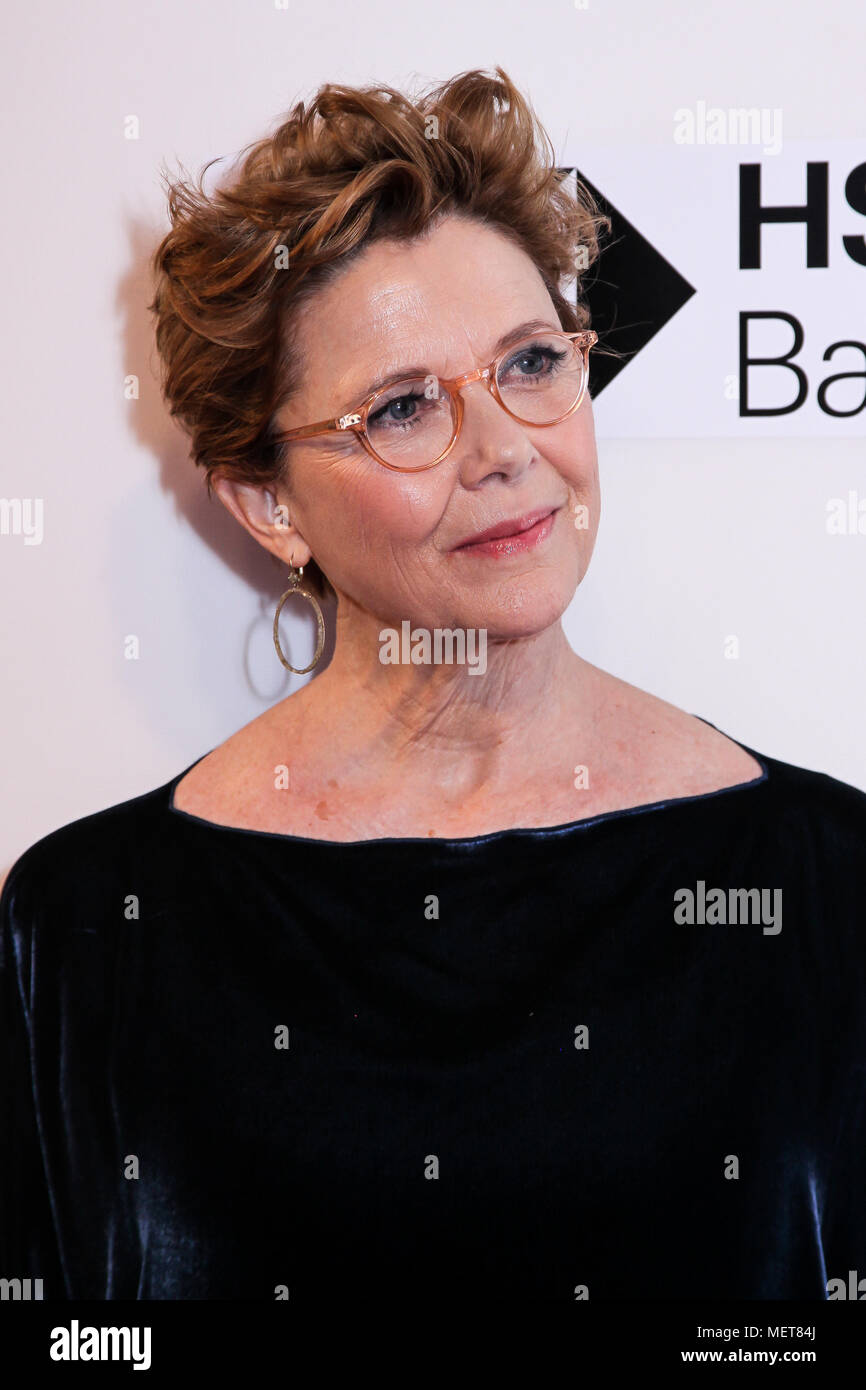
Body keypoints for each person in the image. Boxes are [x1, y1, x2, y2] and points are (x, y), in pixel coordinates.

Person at [1, 67, 864, 1302]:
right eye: (404, 407)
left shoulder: (825, 884)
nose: (506, 448)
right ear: (266, 503)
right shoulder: (83, 936)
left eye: (529, 363)